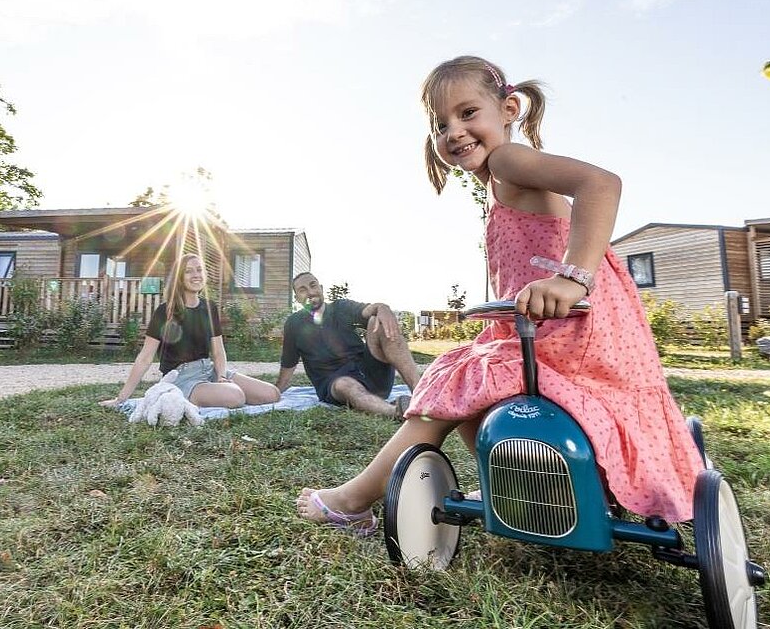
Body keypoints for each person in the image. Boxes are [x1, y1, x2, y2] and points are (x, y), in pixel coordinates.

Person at [296, 55, 704, 535]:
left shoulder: (510, 163)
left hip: (574, 332)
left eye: (468, 113)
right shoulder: (496, 186)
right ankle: (522, 491)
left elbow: (601, 184)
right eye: (440, 123)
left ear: (509, 108)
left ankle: (352, 499)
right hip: (554, 331)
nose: (453, 131)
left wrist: (574, 278)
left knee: (455, 385)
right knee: (472, 384)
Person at [99, 253, 280, 410]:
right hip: (181, 377)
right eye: (189, 271)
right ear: (179, 277)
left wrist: (222, 377)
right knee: (236, 397)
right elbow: (145, 358)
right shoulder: (165, 311)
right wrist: (121, 398)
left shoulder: (210, 308)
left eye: (199, 270)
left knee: (271, 394)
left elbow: (218, 351)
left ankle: (217, 391)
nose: (196, 275)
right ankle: (187, 395)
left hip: (208, 370)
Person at [275, 272, 421, 420]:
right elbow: (288, 364)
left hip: (372, 375)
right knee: (344, 384)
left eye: (313, 285)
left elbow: (369, 310)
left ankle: (421, 395)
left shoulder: (341, 307)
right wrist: (275, 391)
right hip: (335, 383)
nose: (310, 292)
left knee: (377, 320)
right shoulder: (294, 324)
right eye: (302, 289)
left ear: (321, 288)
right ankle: (396, 412)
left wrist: (382, 308)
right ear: (297, 298)